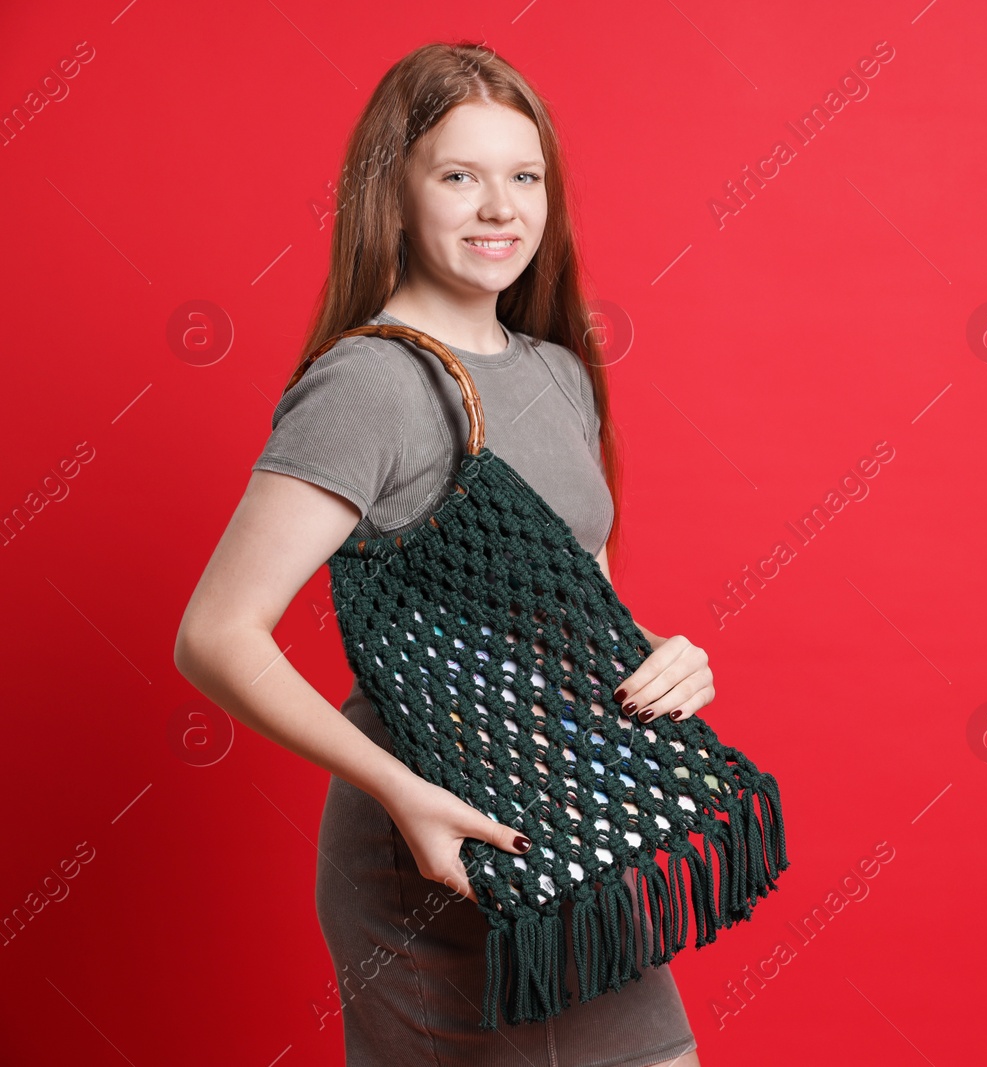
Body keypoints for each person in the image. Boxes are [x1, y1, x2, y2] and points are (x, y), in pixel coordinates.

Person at [174, 40, 712, 1067]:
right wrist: (402, 793)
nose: (498, 207)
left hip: (566, 818)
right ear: (397, 194)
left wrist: (657, 651)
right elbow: (215, 634)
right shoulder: (371, 383)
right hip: (437, 833)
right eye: (459, 176)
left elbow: (568, 601)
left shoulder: (559, 369)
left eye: (524, 176)